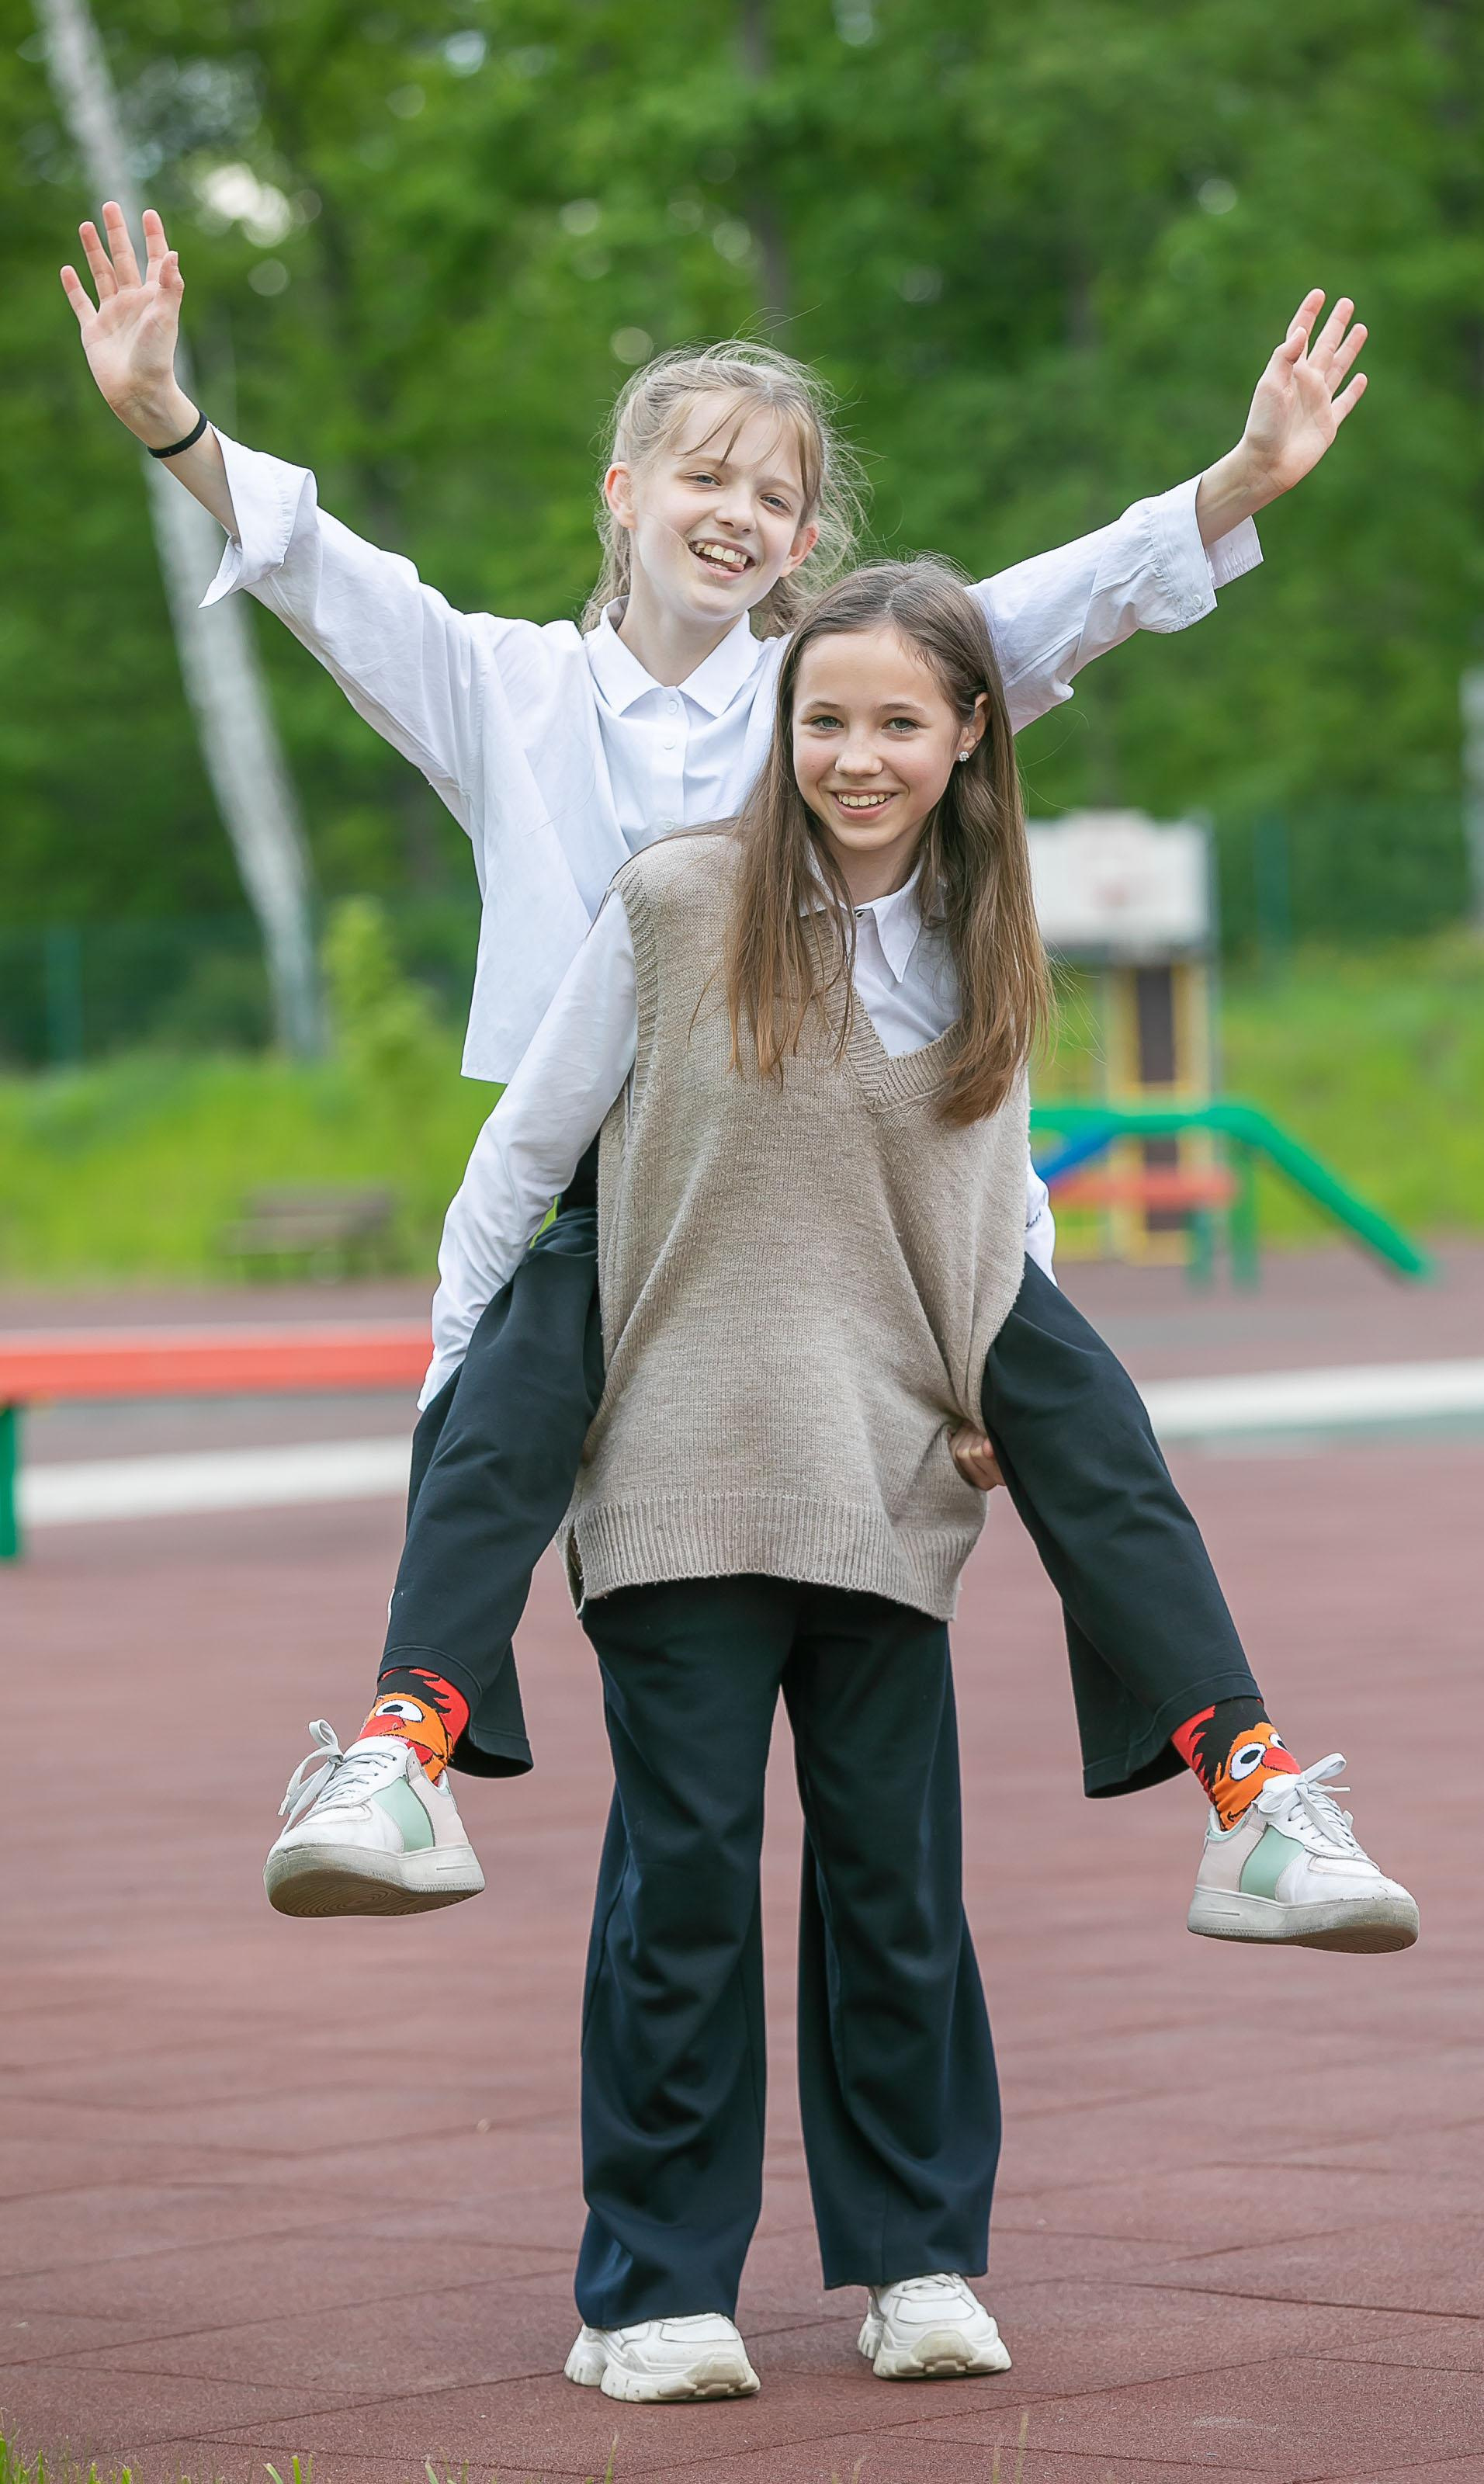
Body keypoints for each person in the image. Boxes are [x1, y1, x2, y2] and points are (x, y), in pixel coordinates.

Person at [65, 204, 1416, 1957]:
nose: (737, 514)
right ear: (620, 494)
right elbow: (332, 573)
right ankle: (403, 1753)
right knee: (495, 1394)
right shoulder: (507, 690)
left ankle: (1247, 1791)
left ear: (798, 542)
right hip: (610, 1184)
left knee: (1085, 1414)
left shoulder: (819, 696)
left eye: (773, 497)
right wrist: (171, 420)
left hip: (841, 1188)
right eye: (702, 474)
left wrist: (1234, 481)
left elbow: (1035, 617)